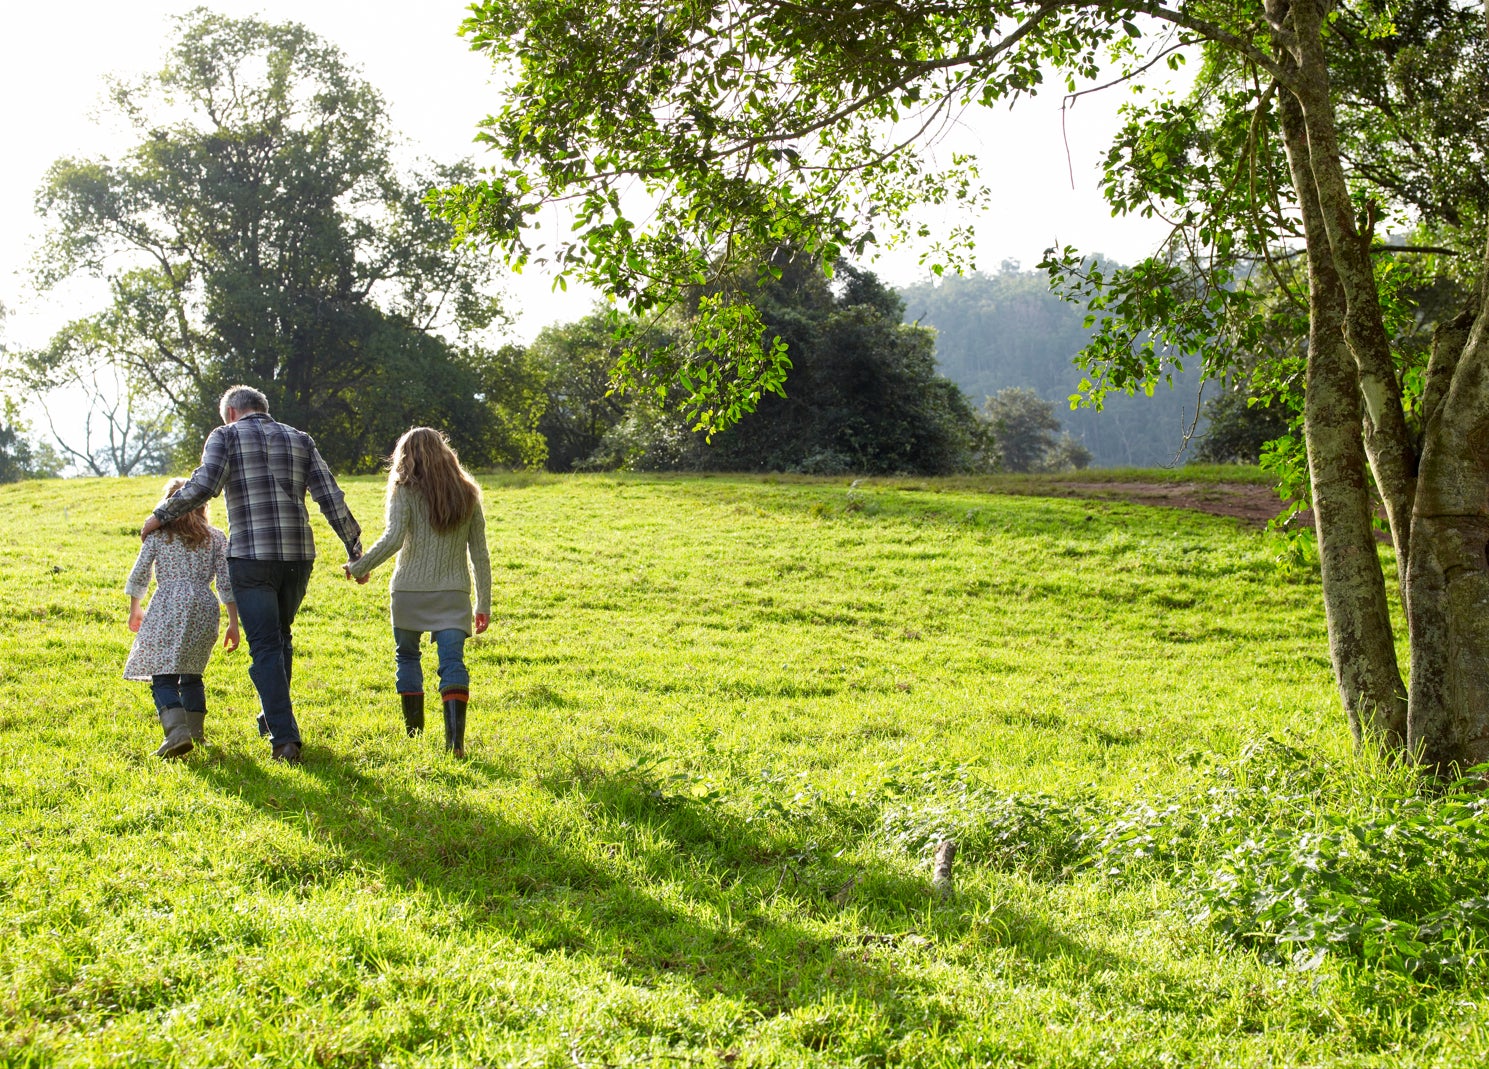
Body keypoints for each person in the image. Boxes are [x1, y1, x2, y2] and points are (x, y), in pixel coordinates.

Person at [141, 385, 363, 764]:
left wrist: (161, 514)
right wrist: (354, 547)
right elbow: (330, 495)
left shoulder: (224, 436)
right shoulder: (300, 439)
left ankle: (284, 739)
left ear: (230, 413)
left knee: (265, 644)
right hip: (297, 557)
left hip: (251, 556)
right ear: (262, 409)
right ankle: (272, 719)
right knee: (279, 637)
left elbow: (204, 485)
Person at [345, 427, 491, 758]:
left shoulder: (404, 491)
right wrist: (483, 603)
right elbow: (479, 553)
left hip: (409, 589)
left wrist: (359, 566)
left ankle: (414, 737)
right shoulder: (467, 493)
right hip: (453, 592)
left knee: (407, 656)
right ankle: (455, 743)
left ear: (406, 455)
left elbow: (394, 538)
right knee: (452, 661)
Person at [125, 478, 240, 758]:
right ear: (202, 506)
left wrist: (135, 608)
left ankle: (177, 733)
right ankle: (195, 735)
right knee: (191, 675)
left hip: (168, 605)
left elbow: (141, 573)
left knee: (163, 675)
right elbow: (226, 583)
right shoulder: (216, 537)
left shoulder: (159, 536)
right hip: (204, 605)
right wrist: (233, 623)